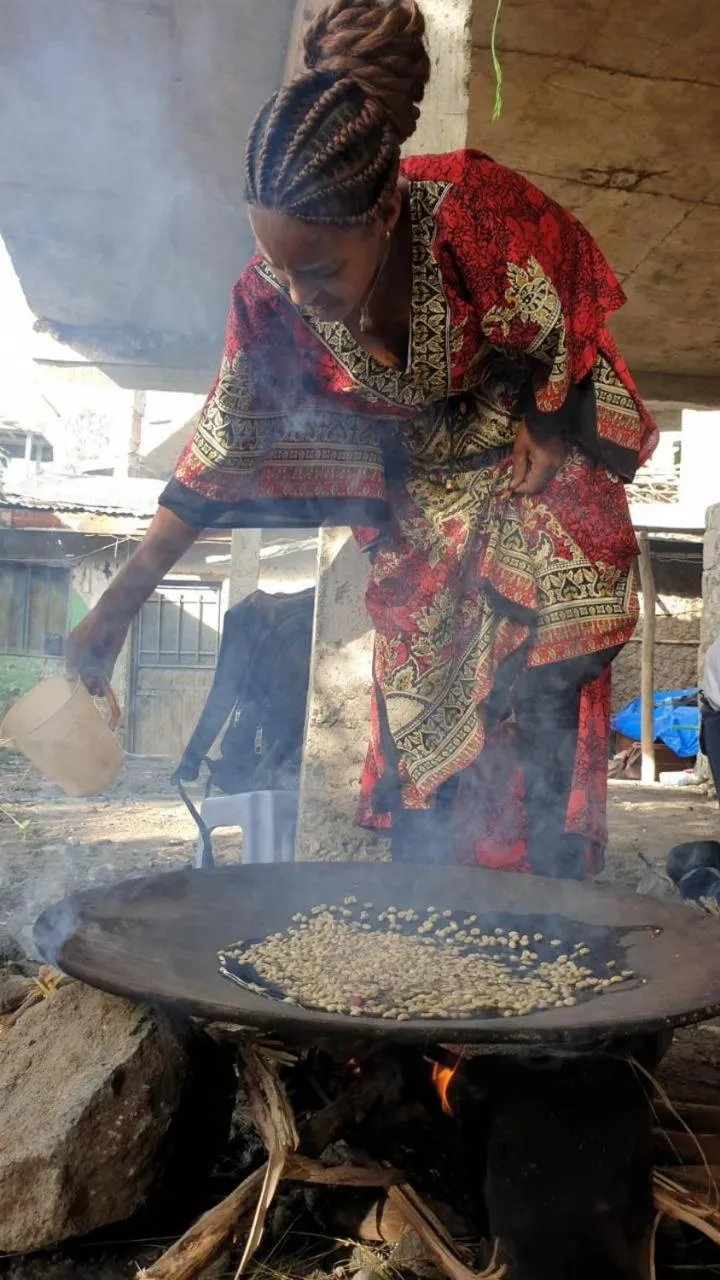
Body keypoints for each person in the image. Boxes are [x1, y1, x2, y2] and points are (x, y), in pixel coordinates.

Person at [67, 0, 657, 878]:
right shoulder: (269, 299)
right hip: (424, 480)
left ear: (384, 213)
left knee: (567, 595)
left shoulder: (471, 213)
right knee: (418, 684)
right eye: (278, 265)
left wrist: (544, 419)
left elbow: (562, 294)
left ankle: (549, 883)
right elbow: (223, 447)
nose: (299, 294)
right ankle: (424, 900)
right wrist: (116, 609)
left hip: (524, 444)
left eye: (320, 270)